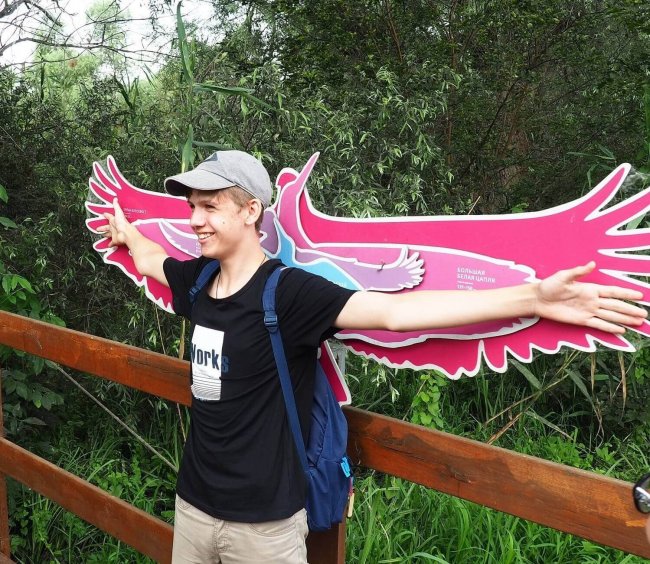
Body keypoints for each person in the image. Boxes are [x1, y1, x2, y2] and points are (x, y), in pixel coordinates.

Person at [99, 150, 647, 564]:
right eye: (192, 207)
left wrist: (532, 297)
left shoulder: (288, 293)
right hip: (193, 506)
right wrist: (127, 233)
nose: (195, 220)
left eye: (210, 207)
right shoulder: (197, 280)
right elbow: (151, 258)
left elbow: (394, 313)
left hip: (263, 526)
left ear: (250, 211)